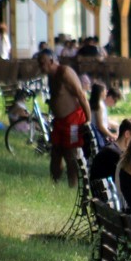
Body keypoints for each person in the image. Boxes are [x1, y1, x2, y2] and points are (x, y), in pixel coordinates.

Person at [37, 49, 91, 187]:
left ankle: (72, 185)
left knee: (70, 154)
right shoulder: (50, 76)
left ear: (51, 61)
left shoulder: (65, 72)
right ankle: (54, 184)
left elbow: (81, 95)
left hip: (72, 120)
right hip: (59, 122)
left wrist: (88, 119)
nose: (40, 66)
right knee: (55, 153)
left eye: (42, 63)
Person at [90, 117, 131, 184]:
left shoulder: (112, 149)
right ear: (127, 134)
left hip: (104, 191)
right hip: (109, 192)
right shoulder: (114, 154)